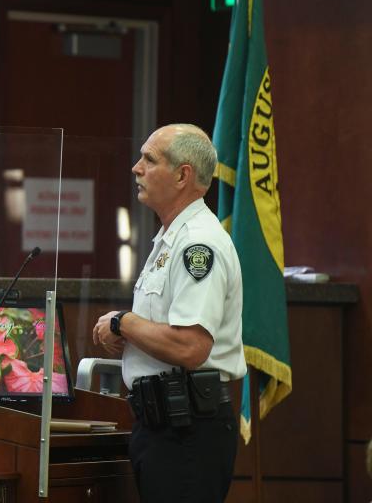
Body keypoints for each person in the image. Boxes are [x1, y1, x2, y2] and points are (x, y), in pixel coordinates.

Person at [92, 123, 246, 503]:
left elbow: (191, 346)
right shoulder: (170, 238)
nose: (136, 168)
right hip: (162, 424)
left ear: (182, 175)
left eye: (149, 159)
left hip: (187, 429)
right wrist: (128, 331)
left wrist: (123, 322)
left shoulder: (198, 244)